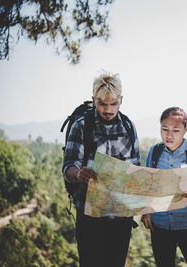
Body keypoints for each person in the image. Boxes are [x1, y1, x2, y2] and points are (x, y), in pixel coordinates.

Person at [62, 72, 140, 267]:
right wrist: (79, 174)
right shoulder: (82, 126)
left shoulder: (129, 126)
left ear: (121, 100)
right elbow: (68, 166)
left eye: (113, 104)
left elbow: (135, 168)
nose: (108, 110)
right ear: (93, 100)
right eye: (102, 104)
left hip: (120, 216)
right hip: (89, 216)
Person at [141, 107, 187, 267]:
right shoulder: (155, 151)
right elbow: (149, 186)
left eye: (176, 130)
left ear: (185, 130)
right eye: (164, 129)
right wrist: (147, 209)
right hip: (160, 227)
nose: (169, 135)